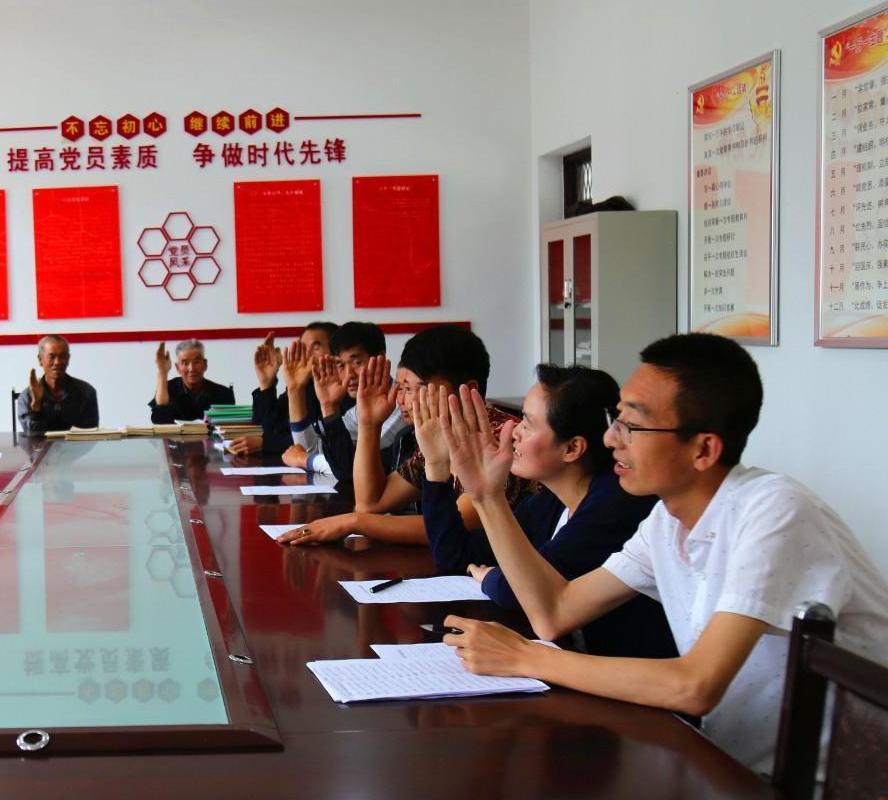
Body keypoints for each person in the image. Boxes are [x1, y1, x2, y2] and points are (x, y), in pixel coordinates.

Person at [441, 334, 888, 774]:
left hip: (840, 793)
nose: (611, 439)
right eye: (616, 420)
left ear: (703, 449)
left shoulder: (774, 509)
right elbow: (554, 613)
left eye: (632, 426)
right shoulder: (667, 521)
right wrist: (487, 496)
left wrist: (528, 658)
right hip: (727, 767)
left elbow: (696, 685)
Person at [413, 365, 674, 658]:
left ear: (572, 448)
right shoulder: (551, 501)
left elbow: (518, 591)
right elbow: (457, 556)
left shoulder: (616, 504)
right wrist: (436, 466)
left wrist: (491, 575)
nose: (514, 432)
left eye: (527, 423)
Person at [282, 324, 535, 546]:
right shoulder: (439, 437)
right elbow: (371, 502)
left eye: (418, 389)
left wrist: (353, 522)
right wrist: (370, 424)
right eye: (402, 388)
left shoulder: (502, 441)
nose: (405, 400)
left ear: (467, 390)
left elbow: (453, 526)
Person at [281, 322, 409, 482]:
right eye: (341, 365)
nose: (349, 375)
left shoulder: (402, 403)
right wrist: (296, 390)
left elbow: (359, 467)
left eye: (356, 363)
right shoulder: (357, 409)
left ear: (380, 358)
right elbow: (315, 450)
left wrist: (305, 460)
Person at [240, 323, 334, 455]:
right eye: (303, 348)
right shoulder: (304, 385)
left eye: (316, 347)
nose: (307, 355)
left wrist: (266, 444)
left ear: (336, 353)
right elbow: (267, 429)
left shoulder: (342, 390)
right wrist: (266, 383)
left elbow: (320, 441)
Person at [16, 335, 99, 435]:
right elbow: (32, 436)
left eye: (62, 356)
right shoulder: (27, 397)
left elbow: (89, 434)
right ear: (40, 359)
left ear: (68, 359)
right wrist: (36, 404)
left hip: (75, 445)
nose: (57, 362)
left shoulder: (86, 392)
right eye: (51, 357)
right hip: (42, 445)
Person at [149, 339, 234, 422]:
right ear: (177, 368)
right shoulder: (167, 389)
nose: (192, 369)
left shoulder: (223, 394)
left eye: (196, 362)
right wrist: (162, 371)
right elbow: (159, 420)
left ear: (205, 364)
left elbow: (229, 426)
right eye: (185, 363)